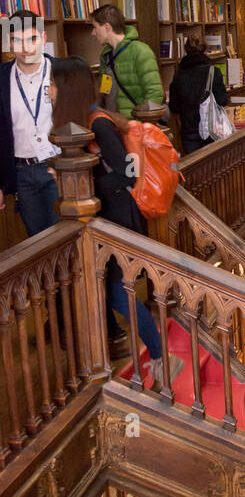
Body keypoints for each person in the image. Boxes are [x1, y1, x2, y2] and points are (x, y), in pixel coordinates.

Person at [48, 57, 179, 386]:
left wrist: (82, 184)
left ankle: (163, 357)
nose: (47, 90)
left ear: (67, 90)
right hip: (110, 218)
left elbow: (124, 172)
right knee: (113, 291)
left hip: (119, 218)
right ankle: (159, 356)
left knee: (119, 293)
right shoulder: (85, 121)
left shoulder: (99, 123)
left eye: (51, 84)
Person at [0, 8, 59, 236]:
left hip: (58, 168)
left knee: (66, 239)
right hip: (21, 174)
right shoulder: (2, 78)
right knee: (37, 243)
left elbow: (81, 119)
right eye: (17, 40)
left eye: (32, 39)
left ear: (43, 38)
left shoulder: (63, 71)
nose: (25, 48)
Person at [91, 4, 163, 117]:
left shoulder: (140, 51)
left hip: (135, 126)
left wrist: (140, 124)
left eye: (95, 27)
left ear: (107, 27)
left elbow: (155, 94)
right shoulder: (105, 55)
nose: (93, 33)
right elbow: (105, 90)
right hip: (113, 125)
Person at [168, 34, 230, 155]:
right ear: (204, 49)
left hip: (188, 132)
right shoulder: (213, 72)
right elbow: (222, 100)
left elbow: (174, 106)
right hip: (211, 130)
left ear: (186, 50)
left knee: (194, 169)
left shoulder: (179, 74)